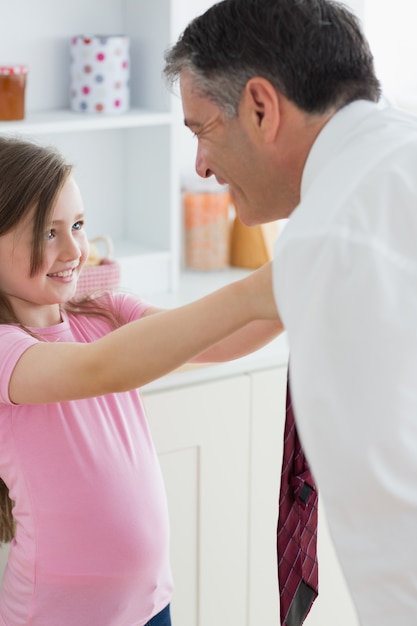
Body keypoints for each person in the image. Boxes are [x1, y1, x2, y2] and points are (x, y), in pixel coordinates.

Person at [163, 0, 417, 624]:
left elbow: (393, 523)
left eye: (200, 129)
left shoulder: (333, 240)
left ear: (260, 107)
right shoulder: (392, 161)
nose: (200, 165)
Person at [0, 135, 282, 626]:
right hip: (57, 614)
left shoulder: (104, 310)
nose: (74, 249)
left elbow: (217, 342)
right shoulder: (7, 349)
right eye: (49, 233)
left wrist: (298, 286)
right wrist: (252, 291)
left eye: (79, 226)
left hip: (150, 602)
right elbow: (101, 368)